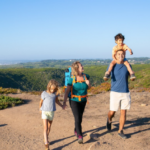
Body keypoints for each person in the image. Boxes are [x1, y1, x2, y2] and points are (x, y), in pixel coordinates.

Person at [63, 61, 91, 144]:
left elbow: (88, 88)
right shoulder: (72, 79)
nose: (82, 66)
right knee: (77, 118)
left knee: (80, 117)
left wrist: (88, 84)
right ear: (76, 68)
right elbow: (67, 91)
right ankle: (80, 135)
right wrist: (64, 102)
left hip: (83, 100)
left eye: (82, 65)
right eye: (80, 66)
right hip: (74, 100)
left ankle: (76, 129)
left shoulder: (86, 76)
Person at [106, 49, 132, 139]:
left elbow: (132, 75)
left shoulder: (127, 65)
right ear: (115, 55)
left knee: (123, 112)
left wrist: (132, 76)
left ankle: (120, 130)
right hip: (115, 92)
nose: (121, 55)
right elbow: (107, 75)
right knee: (112, 111)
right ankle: (109, 119)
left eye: (123, 54)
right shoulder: (112, 65)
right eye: (119, 54)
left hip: (125, 92)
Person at [39, 79, 63, 150]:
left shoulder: (55, 94)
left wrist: (62, 106)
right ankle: (46, 143)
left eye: (54, 89)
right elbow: (41, 102)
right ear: (48, 87)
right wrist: (40, 109)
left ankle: (45, 138)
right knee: (45, 128)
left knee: (49, 127)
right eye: (52, 89)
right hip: (44, 112)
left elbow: (57, 101)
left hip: (51, 112)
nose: (52, 90)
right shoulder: (44, 93)